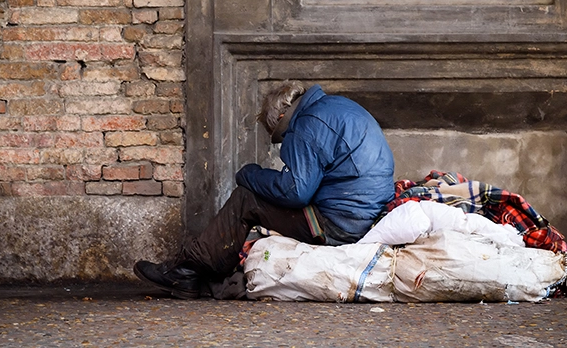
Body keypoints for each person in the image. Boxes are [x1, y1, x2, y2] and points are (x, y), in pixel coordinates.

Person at [134, 81, 396, 299]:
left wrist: (249, 174)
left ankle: (187, 272)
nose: (284, 143)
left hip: (341, 222)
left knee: (246, 198)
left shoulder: (306, 124)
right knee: (257, 195)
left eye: (281, 137)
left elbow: (296, 191)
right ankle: (201, 267)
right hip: (366, 212)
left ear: (281, 118)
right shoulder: (337, 106)